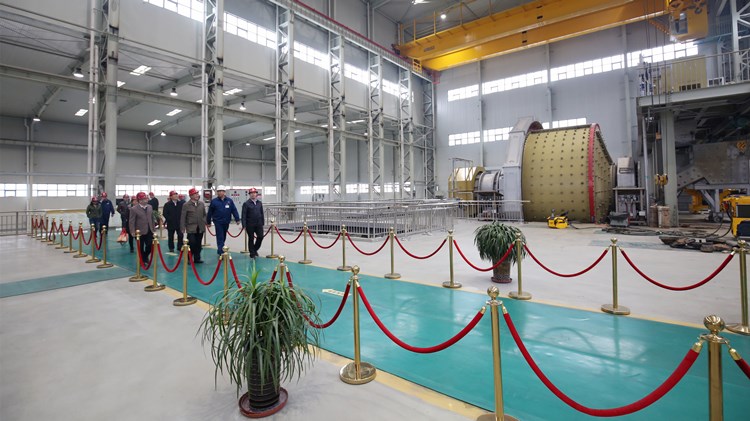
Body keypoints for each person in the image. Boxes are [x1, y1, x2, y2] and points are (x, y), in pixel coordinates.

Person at [206, 186, 240, 257]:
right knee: (220, 236)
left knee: (223, 236)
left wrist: (237, 219)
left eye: (221, 191)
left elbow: (234, 210)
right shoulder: (214, 201)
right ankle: (221, 252)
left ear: (224, 192)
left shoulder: (229, 201)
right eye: (218, 191)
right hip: (218, 222)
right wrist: (208, 222)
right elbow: (210, 212)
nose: (220, 193)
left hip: (226, 221)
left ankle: (221, 248)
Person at [180, 188, 206, 263]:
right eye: (195, 194)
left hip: (200, 227)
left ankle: (197, 258)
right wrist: (182, 227)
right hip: (191, 228)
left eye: (197, 193)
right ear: (191, 196)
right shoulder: (186, 205)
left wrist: (204, 221)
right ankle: (189, 258)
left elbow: (204, 214)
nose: (197, 195)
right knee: (192, 243)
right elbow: (183, 217)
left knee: (198, 244)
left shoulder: (201, 204)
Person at [129, 192, 155, 265]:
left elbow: (152, 218)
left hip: (149, 230)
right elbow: (131, 221)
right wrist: (132, 231)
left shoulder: (150, 207)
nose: (146, 200)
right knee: (140, 247)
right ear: (140, 200)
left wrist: (153, 228)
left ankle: (144, 256)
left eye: (146, 198)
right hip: (139, 232)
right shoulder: (134, 209)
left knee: (150, 245)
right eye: (144, 199)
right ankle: (142, 260)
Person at [241, 187, 265, 258]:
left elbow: (261, 213)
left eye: (254, 193)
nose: (253, 194)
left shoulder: (259, 203)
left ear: (256, 194)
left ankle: (254, 249)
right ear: (249, 194)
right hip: (250, 224)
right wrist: (244, 225)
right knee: (251, 238)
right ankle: (252, 253)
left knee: (260, 237)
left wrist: (262, 222)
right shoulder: (246, 204)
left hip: (259, 223)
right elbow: (244, 215)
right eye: (251, 193)